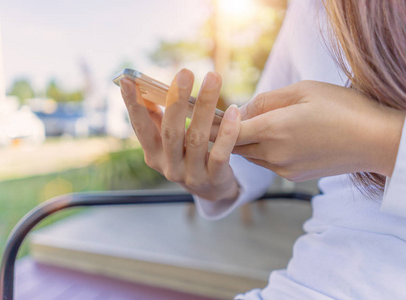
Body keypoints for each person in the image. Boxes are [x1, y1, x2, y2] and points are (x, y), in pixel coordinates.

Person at [119, 0, 406, 298]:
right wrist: (212, 180)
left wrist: (377, 142)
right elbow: (249, 157)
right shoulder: (306, 10)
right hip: (314, 275)